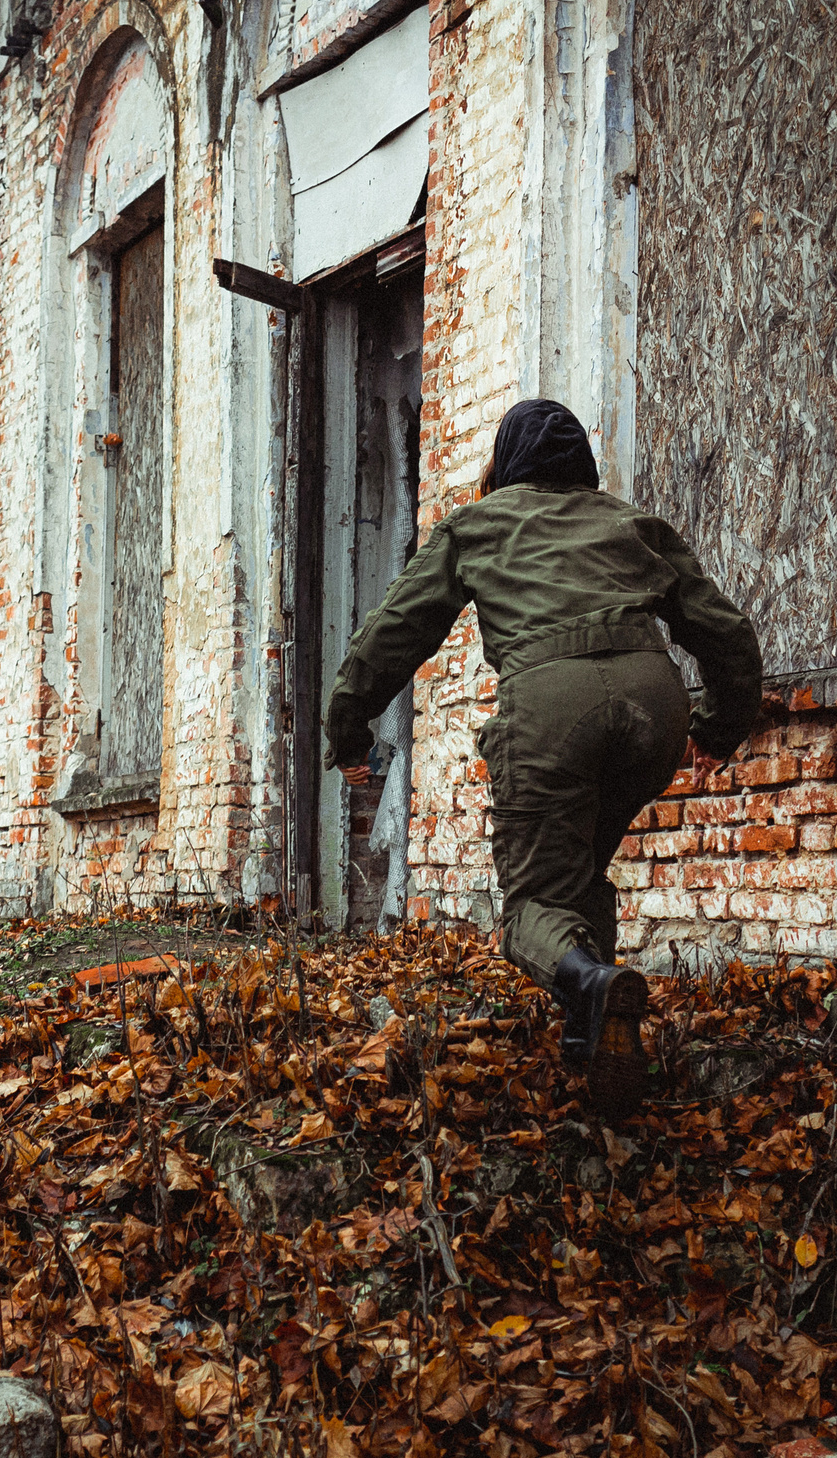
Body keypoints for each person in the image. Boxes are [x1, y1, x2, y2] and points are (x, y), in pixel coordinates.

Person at [323, 398, 762, 1117]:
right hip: (654, 704)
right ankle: (597, 1043)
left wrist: (347, 732)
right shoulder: (632, 523)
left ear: (505, 467)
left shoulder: (476, 525)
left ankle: (591, 985)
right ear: (582, 467)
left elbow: (393, 633)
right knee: (580, 867)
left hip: (553, 705)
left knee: (533, 904)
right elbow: (728, 633)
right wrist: (717, 727)